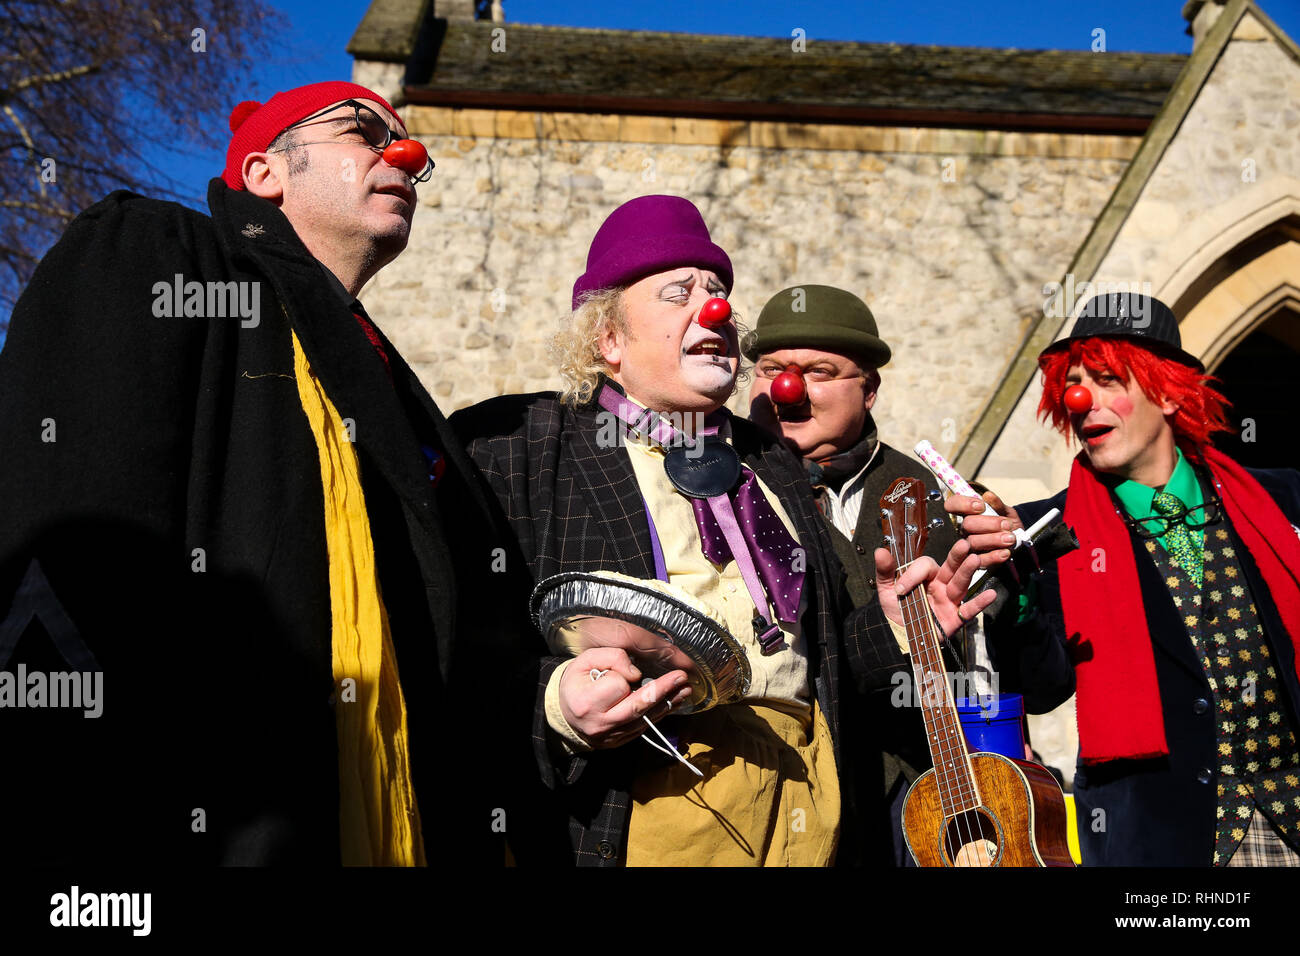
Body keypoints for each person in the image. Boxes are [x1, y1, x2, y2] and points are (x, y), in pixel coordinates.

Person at [0, 81, 507, 865]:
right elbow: (68, 531)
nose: (403, 156)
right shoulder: (155, 252)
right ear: (266, 172)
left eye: (409, 149)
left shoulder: (396, 392)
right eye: (361, 133)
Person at [451, 195, 995, 866]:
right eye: (677, 293)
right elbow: (452, 650)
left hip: (808, 808)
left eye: (717, 294)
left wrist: (891, 626)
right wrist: (556, 705)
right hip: (642, 807)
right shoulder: (518, 445)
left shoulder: (769, 460)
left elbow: (815, 662)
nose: (712, 310)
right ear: (608, 340)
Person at [955, 293, 1300, 866]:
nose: (1081, 399)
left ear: (1167, 392)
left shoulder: (1280, 501)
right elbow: (1044, 688)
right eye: (1073, 384)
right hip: (1165, 839)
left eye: (1107, 378)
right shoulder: (1047, 530)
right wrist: (1010, 588)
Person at [744, 284, 976, 865]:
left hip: (898, 785)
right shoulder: (721, 482)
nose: (788, 389)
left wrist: (1009, 580)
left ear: (868, 390)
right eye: (771, 369)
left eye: (819, 372)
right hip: (767, 776)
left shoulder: (920, 490)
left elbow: (966, 658)